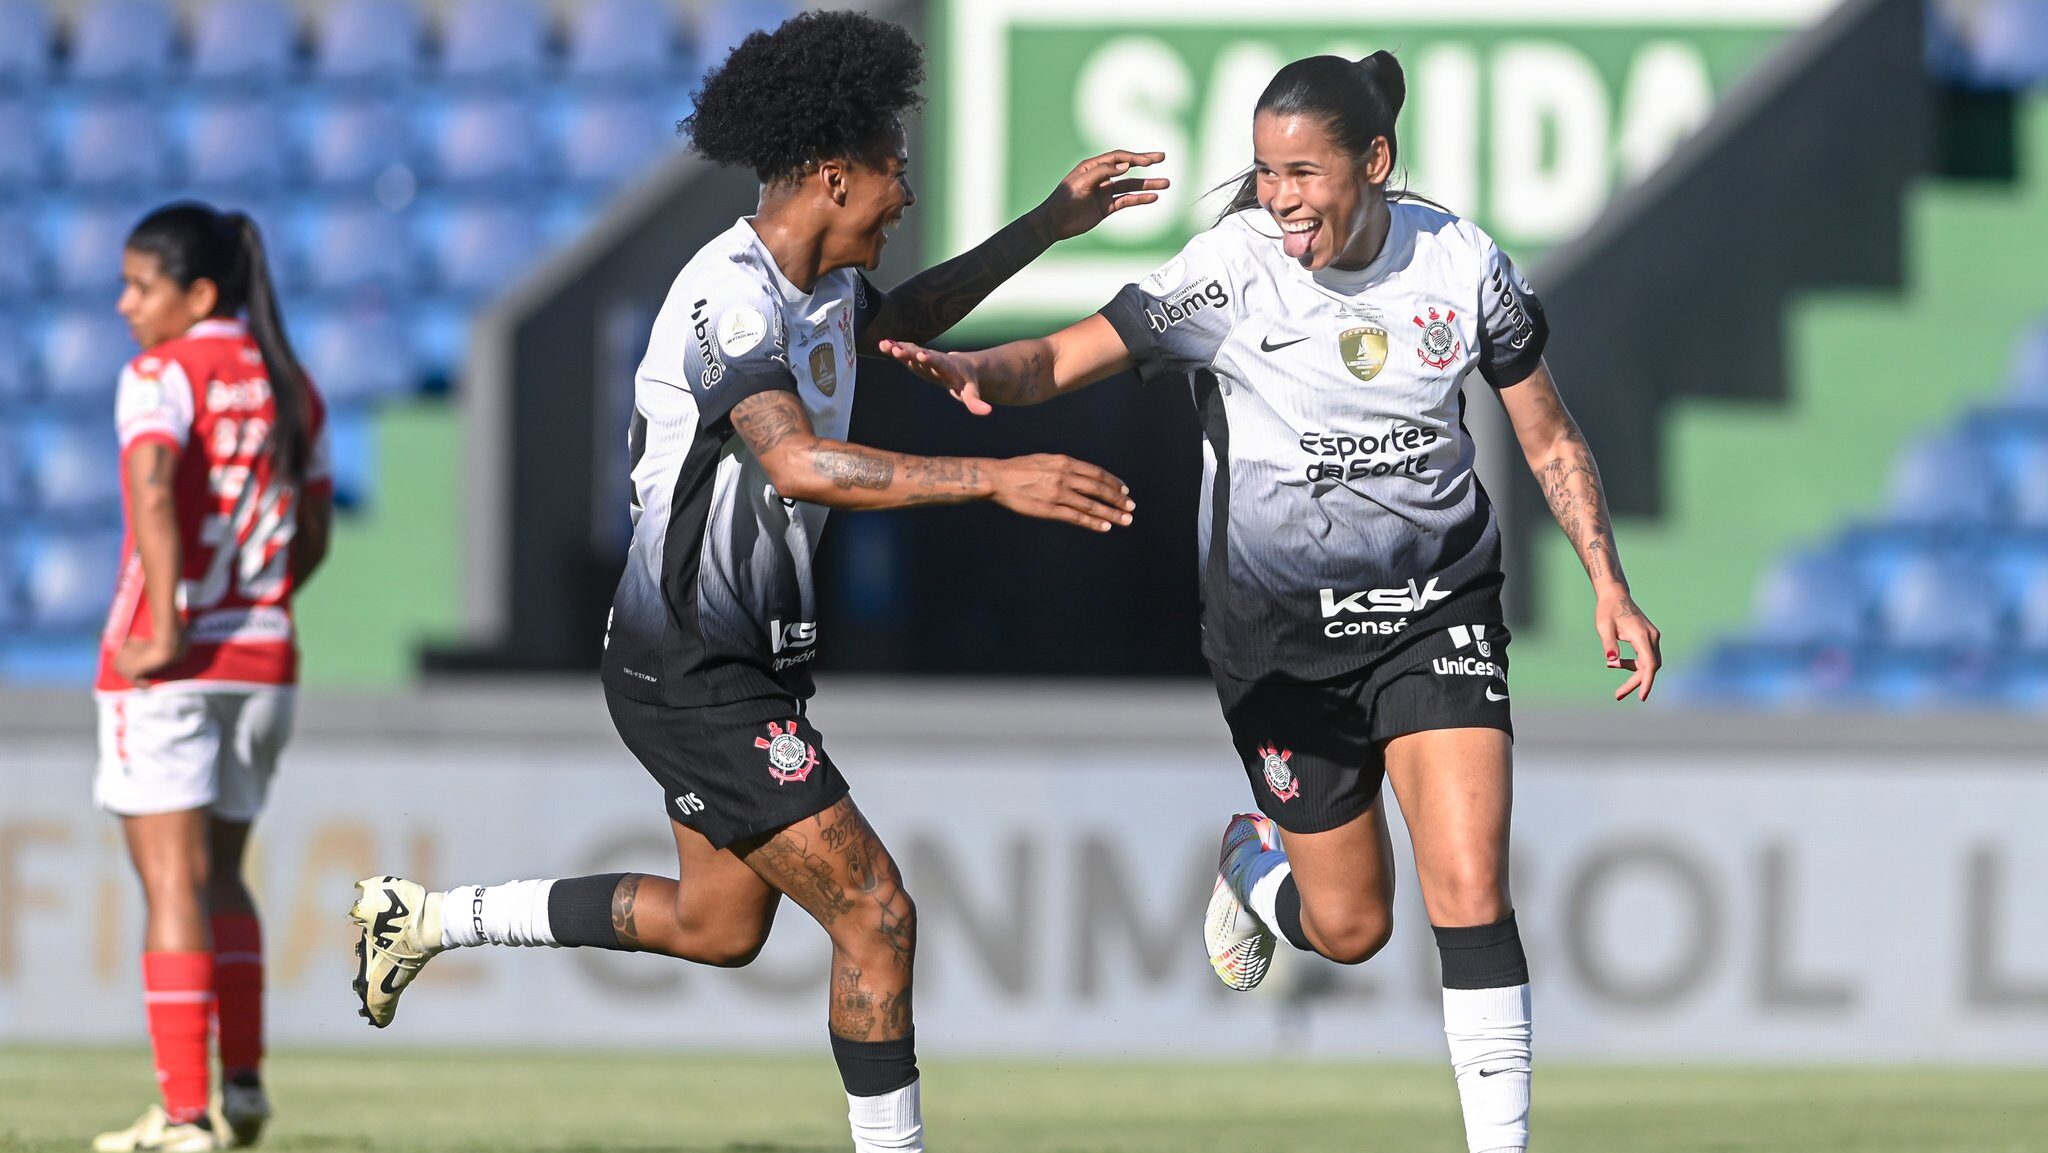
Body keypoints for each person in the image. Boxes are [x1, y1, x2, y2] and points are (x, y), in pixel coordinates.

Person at [345, 13, 1161, 1153]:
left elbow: (905, 322)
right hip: (690, 663)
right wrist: (994, 475)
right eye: (893, 174)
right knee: (875, 915)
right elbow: (791, 457)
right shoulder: (730, 295)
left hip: (737, 661)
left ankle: (424, 918)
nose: (905, 195)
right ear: (834, 176)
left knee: (716, 926)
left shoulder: (819, 285)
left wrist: (1048, 225)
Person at [882, 51, 1662, 1153]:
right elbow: (1066, 354)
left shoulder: (1462, 265)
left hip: (1436, 610)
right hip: (1278, 641)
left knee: (1471, 883)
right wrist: (981, 374)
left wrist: (1607, 585)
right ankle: (1255, 863)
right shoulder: (1229, 270)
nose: (1279, 196)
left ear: (1372, 163)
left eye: (1301, 170)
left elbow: (1545, 433)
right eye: (1262, 171)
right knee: (1348, 927)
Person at [92, 204, 332, 1152]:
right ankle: (243, 1082)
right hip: (264, 655)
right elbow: (313, 528)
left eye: (140, 286)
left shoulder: (160, 374)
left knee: (171, 885)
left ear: (195, 294)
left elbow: (153, 486)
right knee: (225, 873)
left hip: (173, 661)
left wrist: (171, 619)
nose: (123, 305)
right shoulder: (289, 380)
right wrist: (263, 599)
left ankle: (184, 1113)